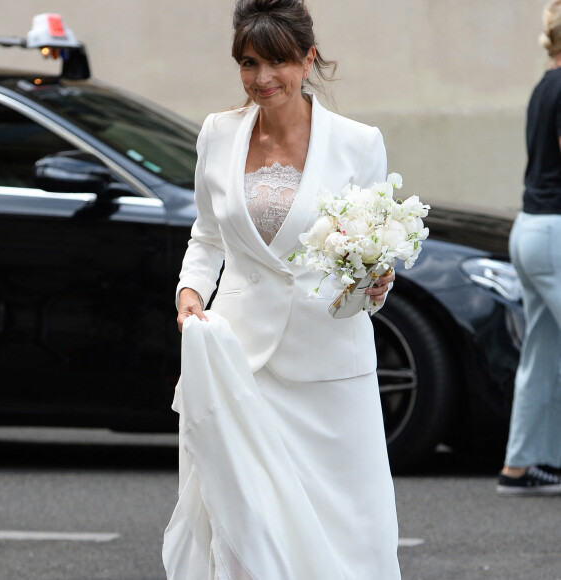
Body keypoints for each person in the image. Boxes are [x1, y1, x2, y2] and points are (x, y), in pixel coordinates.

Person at [163, 0, 401, 577]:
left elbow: (374, 251)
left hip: (329, 366)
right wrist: (189, 292)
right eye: (248, 63)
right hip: (241, 363)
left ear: (308, 58)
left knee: (346, 521)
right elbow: (207, 234)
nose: (262, 79)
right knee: (249, 518)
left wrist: (376, 281)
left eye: (277, 62)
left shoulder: (358, 142)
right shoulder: (217, 134)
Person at [497, 0, 561, 497]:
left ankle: (520, 467)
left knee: (541, 351)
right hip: (555, 233)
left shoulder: (545, 85)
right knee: (542, 351)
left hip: (531, 228)